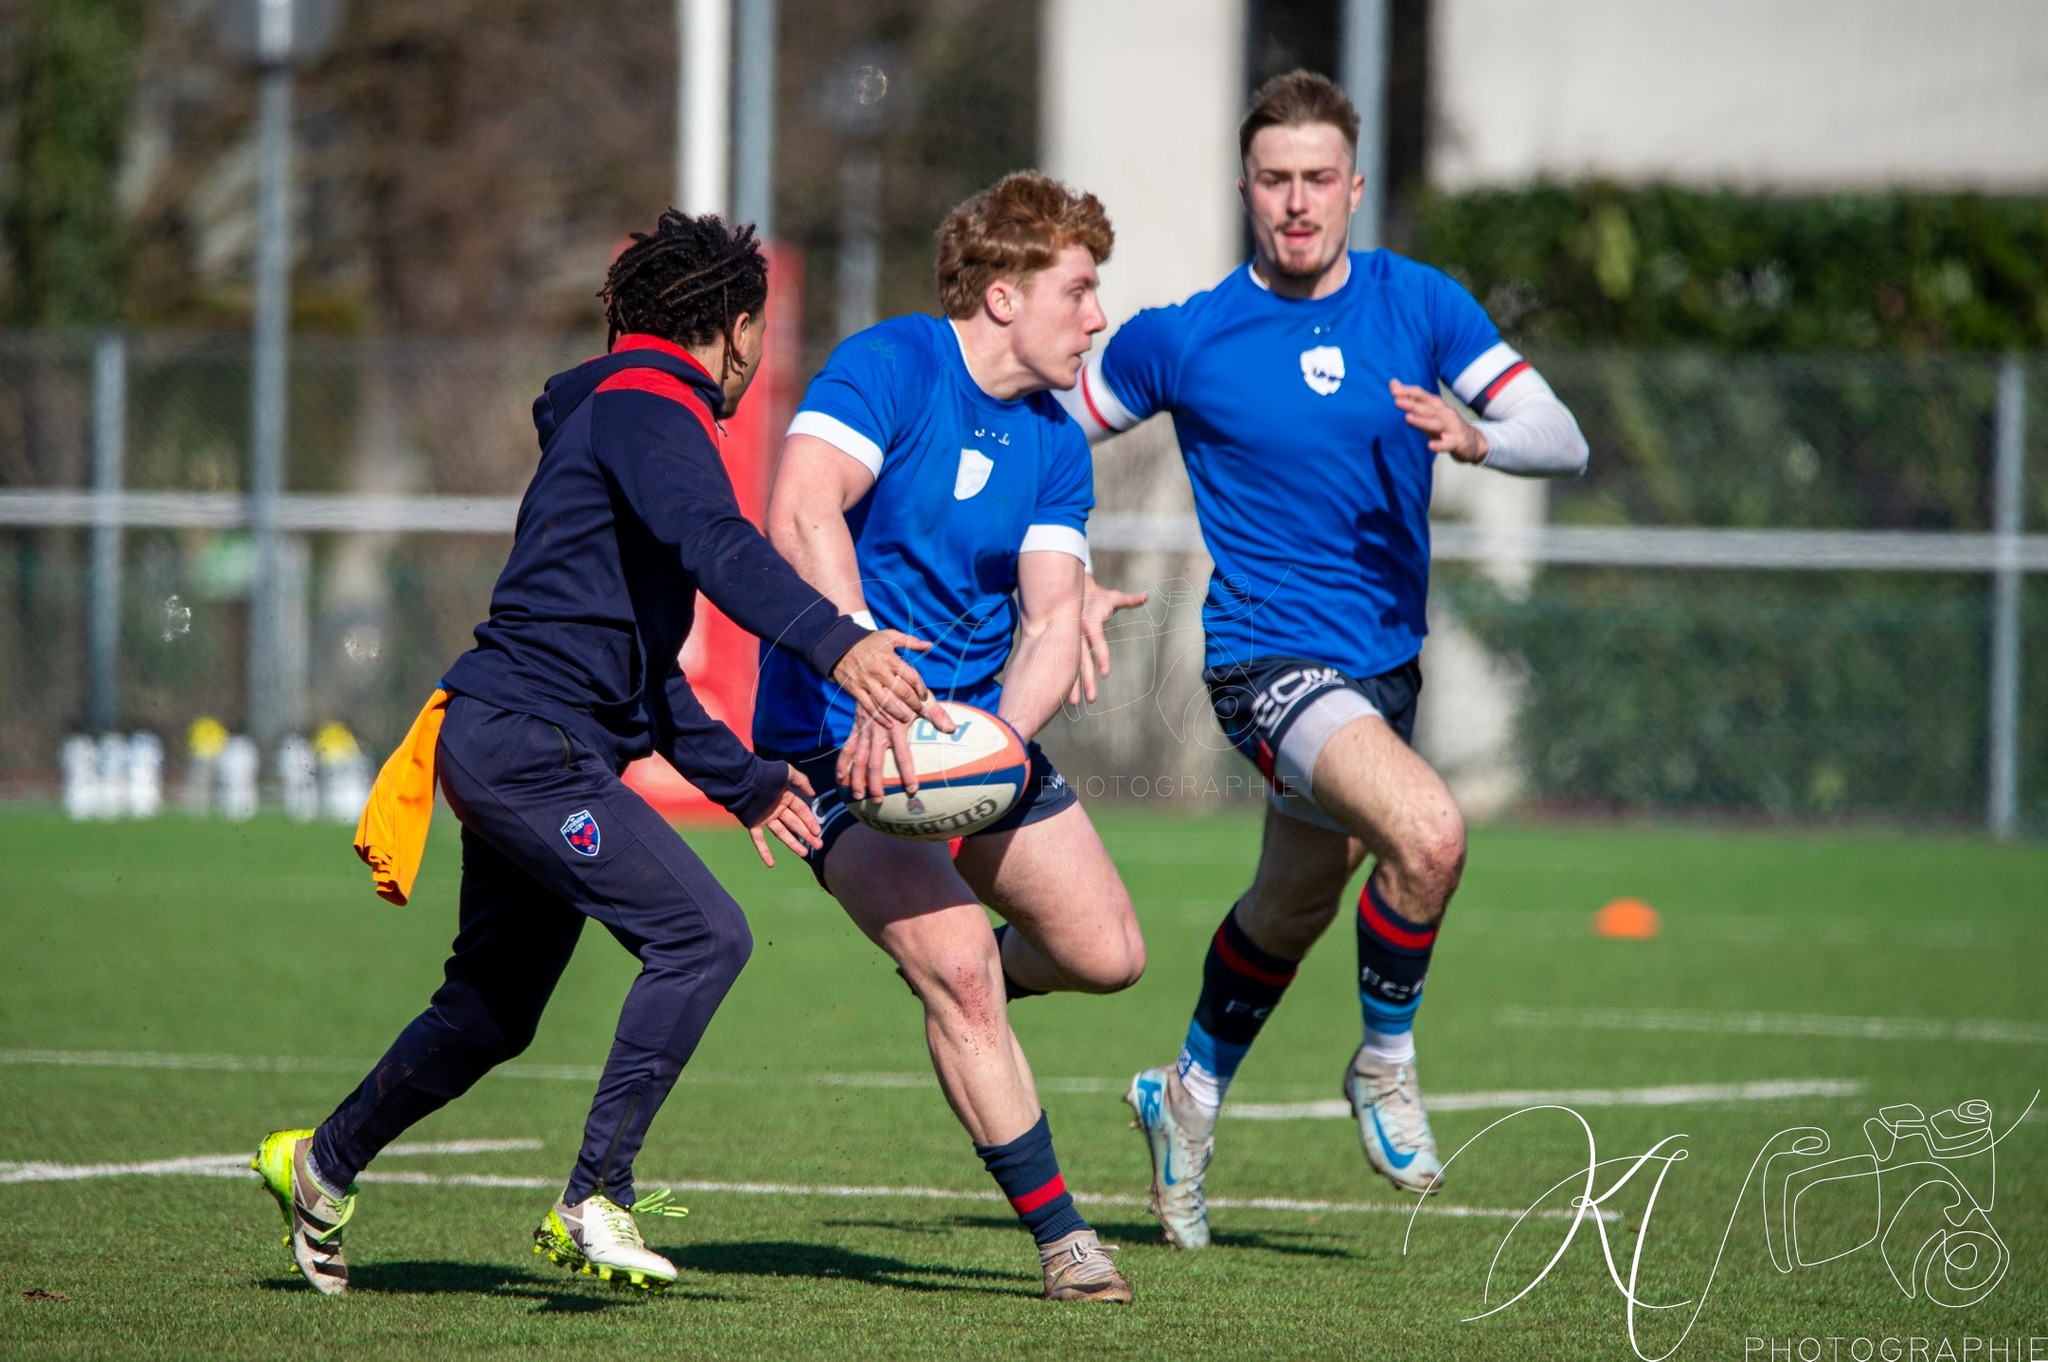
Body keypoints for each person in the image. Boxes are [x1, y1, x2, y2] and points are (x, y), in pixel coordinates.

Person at [252, 211, 941, 1296]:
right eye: (754, 333)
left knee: (488, 1014)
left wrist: (747, 782)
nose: (756, 356)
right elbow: (719, 547)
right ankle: (594, 1197)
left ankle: (321, 1164)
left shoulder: (621, 414)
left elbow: (644, 670)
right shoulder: (650, 406)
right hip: (528, 748)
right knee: (701, 936)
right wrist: (838, 642)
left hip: (515, 740)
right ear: (737, 328)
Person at [1056, 71, 1590, 1249]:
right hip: (1265, 664)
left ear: (1353, 187)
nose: (1295, 202)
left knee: (1292, 904)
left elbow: (1561, 435)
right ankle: (1383, 1064)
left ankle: (1182, 1096)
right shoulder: (1185, 337)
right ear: (1244, 188)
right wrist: (1053, 560)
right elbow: (1045, 429)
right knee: (1432, 834)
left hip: (1383, 669)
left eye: (1316, 179)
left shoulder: (1419, 303)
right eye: (1271, 179)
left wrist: (1479, 436)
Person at [751, 173, 1146, 1303]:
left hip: (959, 733)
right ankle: (1064, 1238)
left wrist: (989, 754)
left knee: (1105, 956)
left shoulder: (1052, 440)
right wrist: (863, 658)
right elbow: (800, 506)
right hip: (832, 741)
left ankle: (956, 984)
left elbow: (1049, 618)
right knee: (965, 970)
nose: (1096, 317)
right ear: (1005, 294)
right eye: (1080, 289)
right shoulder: (892, 367)